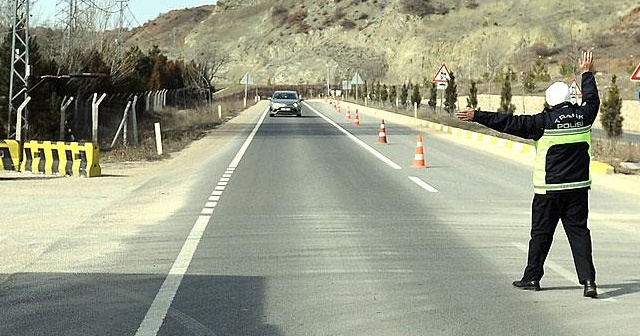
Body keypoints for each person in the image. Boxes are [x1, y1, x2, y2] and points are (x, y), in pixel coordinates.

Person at [455, 50, 599, 298]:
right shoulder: (584, 116)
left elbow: (508, 122)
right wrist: (587, 72)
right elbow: (593, 99)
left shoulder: (542, 122)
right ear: (569, 99)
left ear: (549, 102)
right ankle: (588, 283)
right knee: (580, 234)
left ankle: (532, 278)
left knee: (541, 235)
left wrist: (477, 115)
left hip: (548, 191)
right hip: (577, 189)